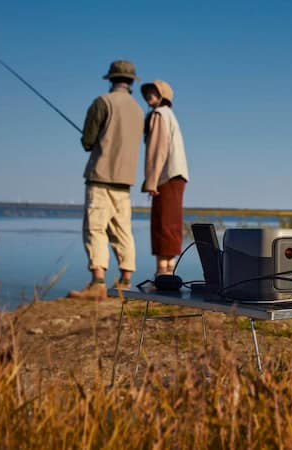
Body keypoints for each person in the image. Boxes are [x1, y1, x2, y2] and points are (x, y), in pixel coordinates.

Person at [68, 60, 144, 300]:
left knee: (95, 228)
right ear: (131, 82)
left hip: (101, 176)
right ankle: (126, 281)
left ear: (111, 79)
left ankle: (98, 282)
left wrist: (90, 140)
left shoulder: (102, 102)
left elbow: (88, 141)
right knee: (123, 230)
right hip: (125, 180)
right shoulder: (139, 110)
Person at [140, 80, 189, 276]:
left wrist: (151, 181)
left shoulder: (160, 115)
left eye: (154, 92)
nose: (149, 95)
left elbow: (157, 151)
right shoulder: (170, 115)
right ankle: (168, 268)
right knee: (171, 222)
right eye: (148, 92)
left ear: (163, 95)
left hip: (167, 176)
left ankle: (163, 271)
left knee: (163, 223)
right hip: (175, 174)